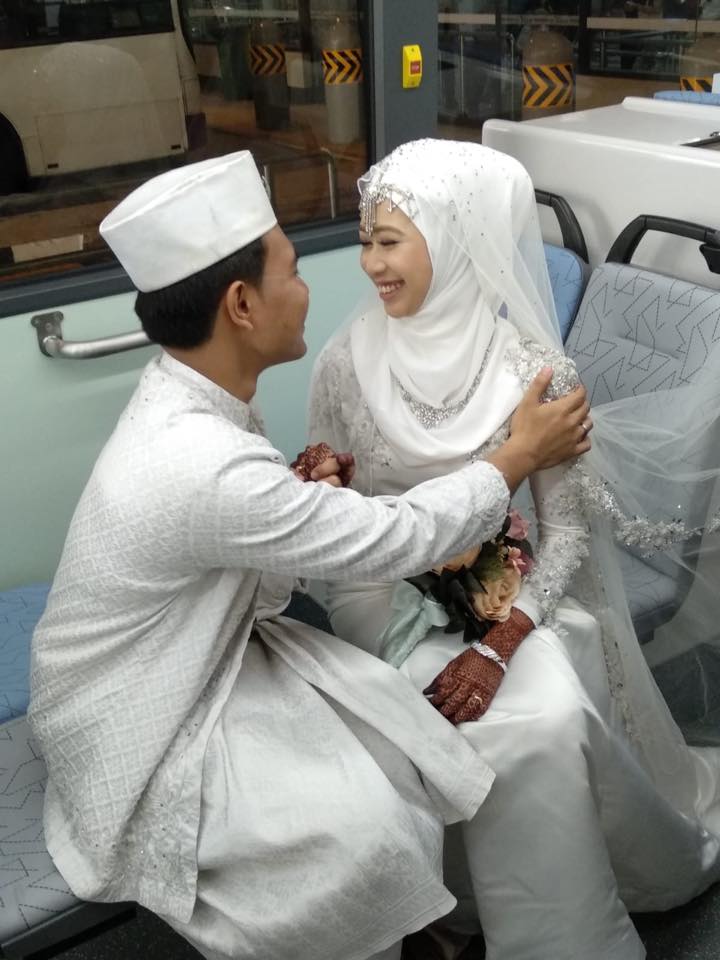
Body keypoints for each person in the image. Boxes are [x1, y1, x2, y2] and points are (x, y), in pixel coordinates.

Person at [26, 151, 592, 960]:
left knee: (396, 745)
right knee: (361, 824)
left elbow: (257, 555)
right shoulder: (209, 453)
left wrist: (299, 502)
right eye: (293, 271)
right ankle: (393, 929)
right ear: (242, 304)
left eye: (388, 242)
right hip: (141, 703)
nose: (336, 279)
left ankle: (423, 917)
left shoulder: (196, 400)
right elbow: (392, 538)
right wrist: (516, 457)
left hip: (194, 647)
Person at [308, 138, 720, 959]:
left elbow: (565, 534)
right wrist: (327, 477)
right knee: (397, 714)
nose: (370, 264)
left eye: (389, 242)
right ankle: (436, 898)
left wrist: (498, 644)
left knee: (536, 723)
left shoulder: (536, 375)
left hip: (517, 600)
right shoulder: (345, 359)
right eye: (364, 241)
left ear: (456, 241)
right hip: (381, 590)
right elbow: (343, 492)